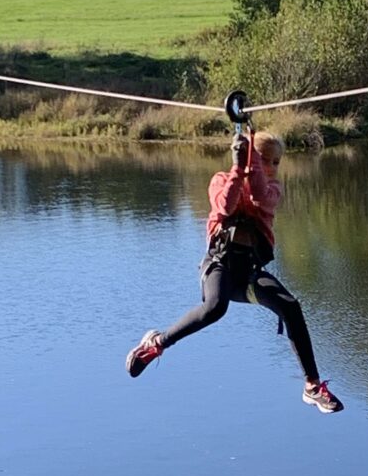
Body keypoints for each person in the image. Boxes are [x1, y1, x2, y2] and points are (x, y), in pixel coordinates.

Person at [125, 130, 344, 414]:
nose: (272, 167)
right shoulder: (220, 180)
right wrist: (239, 169)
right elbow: (225, 206)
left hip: (249, 273)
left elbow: (260, 197)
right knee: (216, 307)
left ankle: (312, 386)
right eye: (266, 160)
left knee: (290, 307)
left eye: (276, 162)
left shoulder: (273, 188)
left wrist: (250, 167)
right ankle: (158, 342)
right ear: (251, 157)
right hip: (219, 265)